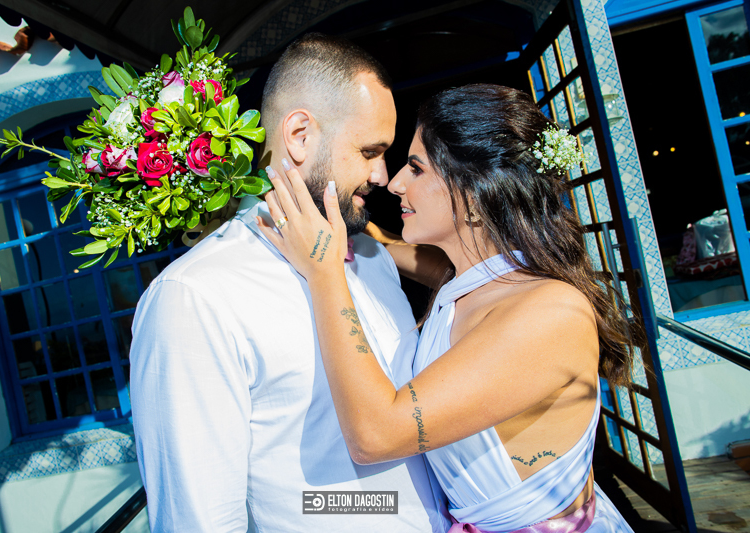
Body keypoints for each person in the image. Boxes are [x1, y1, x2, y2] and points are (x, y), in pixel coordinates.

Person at [258, 84, 639, 532]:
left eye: (416, 168)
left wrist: (324, 273)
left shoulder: (551, 313)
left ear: (474, 195)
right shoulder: (473, 278)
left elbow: (375, 436)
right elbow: (405, 257)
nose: (395, 183)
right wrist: (353, 235)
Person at [129, 34, 450, 532]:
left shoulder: (370, 257)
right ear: (299, 135)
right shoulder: (196, 298)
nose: (382, 176)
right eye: (369, 151)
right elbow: (199, 519)